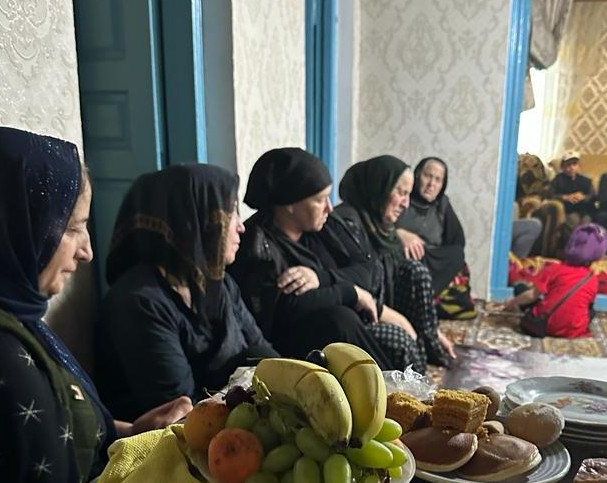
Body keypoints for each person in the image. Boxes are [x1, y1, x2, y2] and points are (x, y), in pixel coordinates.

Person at [0, 127, 191, 483]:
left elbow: (63, 423)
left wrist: (129, 432)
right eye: (73, 229)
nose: (87, 252)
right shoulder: (8, 355)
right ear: (17, 224)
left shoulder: (24, 320)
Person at [95, 165, 278, 423]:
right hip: (173, 435)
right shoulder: (139, 302)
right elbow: (180, 411)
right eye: (230, 213)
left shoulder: (218, 285)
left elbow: (262, 352)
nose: (241, 227)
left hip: (223, 414)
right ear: (195, 221)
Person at [228, 148, 421, 371]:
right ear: (290, 203)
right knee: (340, 320)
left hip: (355, 321)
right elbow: (288, 306)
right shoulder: (257, 244)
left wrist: (321, 278)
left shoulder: (323, 226)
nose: (329, 207)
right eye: (320, 200)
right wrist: (350, 292)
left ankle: (405, 387)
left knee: (400, 337)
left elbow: (368, 270)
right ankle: (386, 389)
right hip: (289, 348)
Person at [335, 155, 455, 366]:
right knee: (401, 341)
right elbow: (351, 290)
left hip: (381, 306)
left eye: (408, 194)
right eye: (401, 193)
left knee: (416, 271)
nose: (406, 204)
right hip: (358, 317)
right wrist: (400, 322)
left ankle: (429, 343)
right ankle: (414, 379)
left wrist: (431, 330)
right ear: (379, 187)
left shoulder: (381, 225)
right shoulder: (346, 224)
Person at [395, 157, 477, 320]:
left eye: (438, 180)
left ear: (442, 185)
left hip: (431, 261)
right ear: (417, 176)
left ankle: (427, 297)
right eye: (427, 176)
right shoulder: (403, 197)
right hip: (404, 256)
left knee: (456, 254)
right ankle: (421, 301)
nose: (431, 184)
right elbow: (381, 225)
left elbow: (458, 240)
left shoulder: (442, 204)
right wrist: (400, 233)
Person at [505, 223, 607, 338]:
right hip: (573, 331)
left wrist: (512, 302)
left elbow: (532, 296)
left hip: (544, 326)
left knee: (520, 288)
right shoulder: (593, 279)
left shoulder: (555, 269)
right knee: (591, 310)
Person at [549, 150, 595, 223]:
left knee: (586, 221)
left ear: (579, 166)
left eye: (574, 164)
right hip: (568, 210)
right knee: (574, 220)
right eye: (568, 165)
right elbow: (550, 195)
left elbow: (593, 195)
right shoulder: (558, 180)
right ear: (562, 167)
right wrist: (565, 197)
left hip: (584, 210)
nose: (572, 168)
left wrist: (583, 197)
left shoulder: (586, 180)